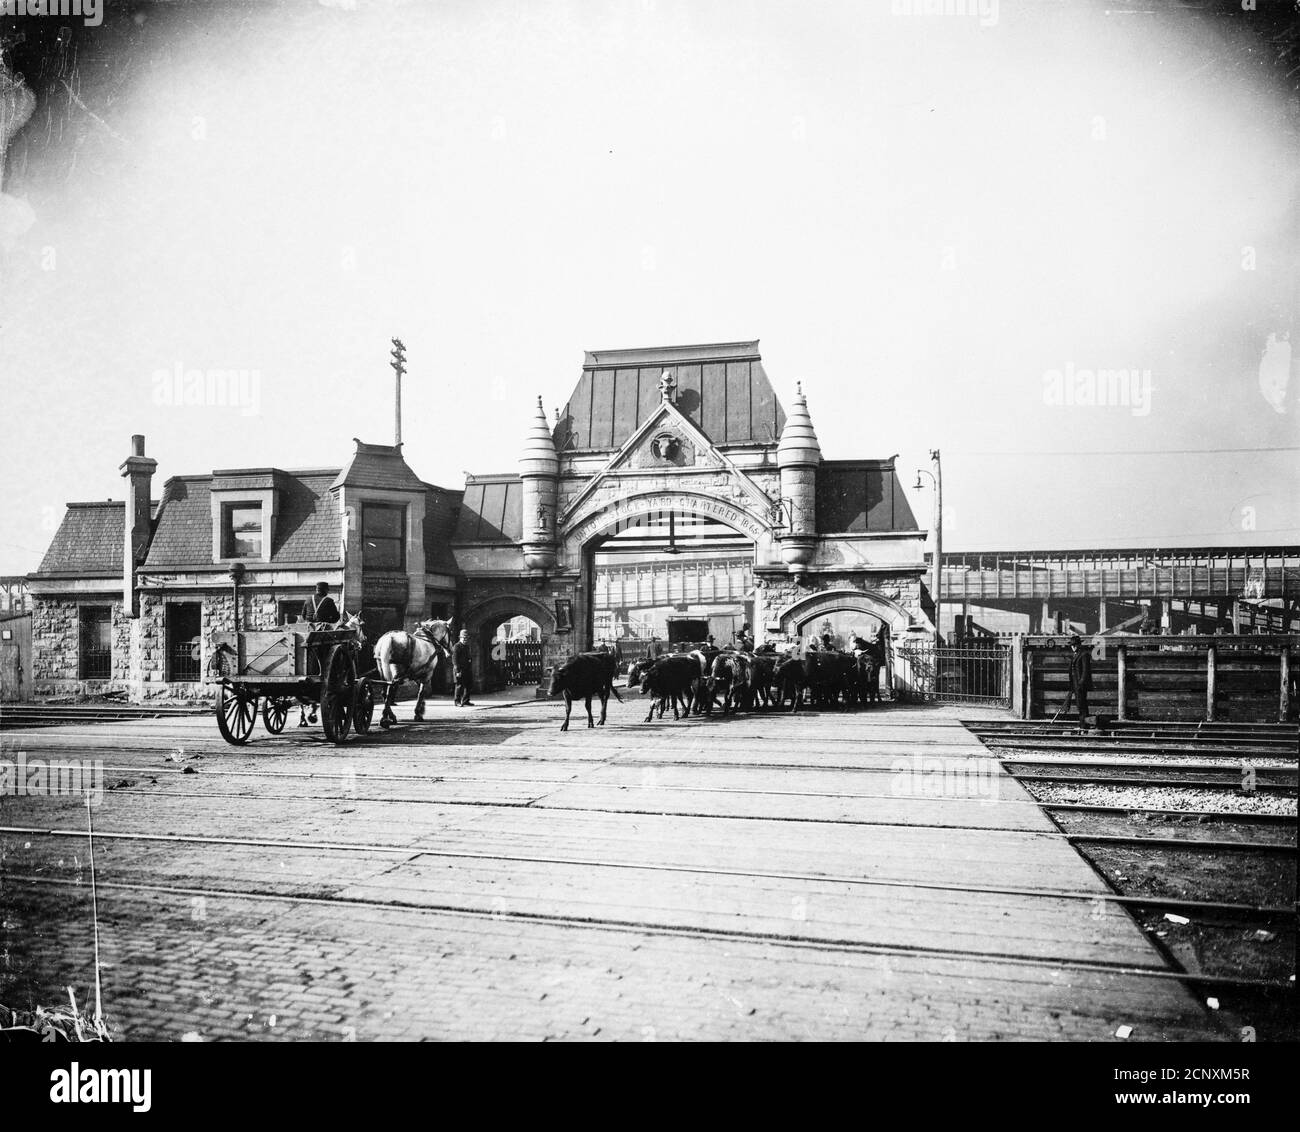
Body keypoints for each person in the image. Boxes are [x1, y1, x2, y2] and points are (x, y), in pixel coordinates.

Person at [1067, 634, 1091, 723]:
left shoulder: (1084, 655)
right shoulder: (1075, 655)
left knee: (1081, 704)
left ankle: (1083, 725)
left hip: (1080, 685)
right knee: (1079, 704)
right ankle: (1084, 724)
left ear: (1078, 645)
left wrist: (1080, 684)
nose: (1073, 647)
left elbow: (1085, 672)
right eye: (1072, 646)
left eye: (1074, 645)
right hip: (1075, 684)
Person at [452, 629, 474, 707]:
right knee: (459, 686)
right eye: (463, 638)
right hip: (459, 669)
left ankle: (465, 701)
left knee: (468, 685)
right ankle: (457, 701)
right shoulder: (456, 646)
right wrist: (457, 671)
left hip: (467, 669)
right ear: (460, 638)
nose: (465, 639)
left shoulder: (467, 646)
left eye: (466, 638)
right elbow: (454, 660)